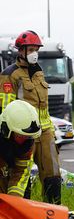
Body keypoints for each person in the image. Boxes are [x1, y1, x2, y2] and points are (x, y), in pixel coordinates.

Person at [0, 31, 61, 204]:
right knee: (22, 174)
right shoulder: (10, 75)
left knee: (53, 174)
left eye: (37, 49)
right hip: (24, 132)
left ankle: (53, 210)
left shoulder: (38, 73)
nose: (35, 53)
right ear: (21, 51)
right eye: (31, 49)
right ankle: (24, 211)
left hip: (45, 130)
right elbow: (6, 108)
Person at [0, 100, 41, 197]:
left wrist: (14, 201)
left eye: (27, 137)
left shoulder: (28, 141)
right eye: (20, 136)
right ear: (6, 129)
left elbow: (20, 171)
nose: (24, 140)